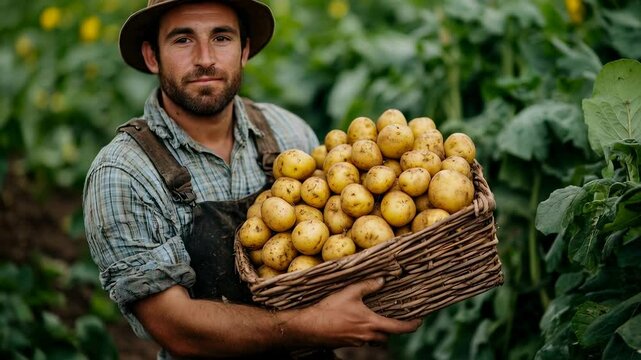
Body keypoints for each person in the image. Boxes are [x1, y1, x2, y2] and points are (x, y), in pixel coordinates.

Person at [82, 0, 422, 359]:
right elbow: (175, 326)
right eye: (183, 40)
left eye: (222, 38)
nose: (205, 58)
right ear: (152, 56)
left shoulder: (288, 134)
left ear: (244, 50)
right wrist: (308, 327)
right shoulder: (123, 173)